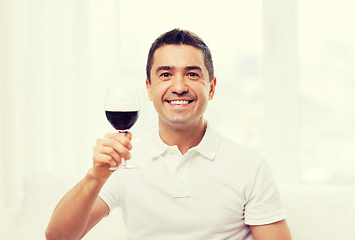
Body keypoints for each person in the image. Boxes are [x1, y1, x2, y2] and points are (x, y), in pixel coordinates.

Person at [45, 28, 292, 240]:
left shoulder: (249, 166)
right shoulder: (125, 161)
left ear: (212, 88)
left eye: (192, 74)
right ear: (149, 89)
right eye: (165, 74)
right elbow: (57, 237)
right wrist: (95, 177)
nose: (179, 87)